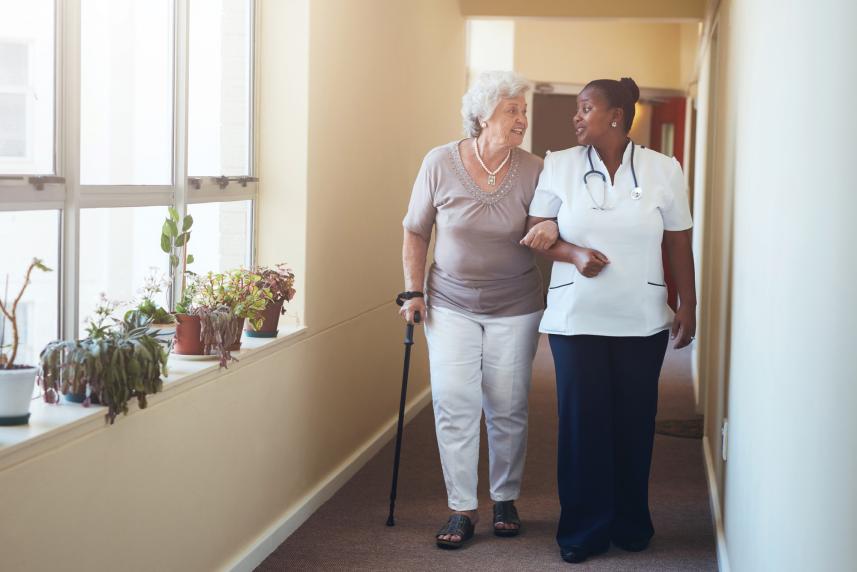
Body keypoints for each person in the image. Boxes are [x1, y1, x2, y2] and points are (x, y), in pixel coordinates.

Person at [521, 77, 697, 564]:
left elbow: (680, 240)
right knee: (582, 425)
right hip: (575, 319)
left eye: (585, 108)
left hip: (641, 318)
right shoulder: (558, 165)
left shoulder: (664, 169)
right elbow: (534, 232)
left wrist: (688, 304)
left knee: (634, 423)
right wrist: (573, 253)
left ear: (616, 115)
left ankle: (630, 521)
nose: (576, 117)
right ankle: (582, 529)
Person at [400, 70, 558, 549]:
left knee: (507, 405)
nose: (522, 119)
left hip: (516, 304)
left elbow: (544, 221)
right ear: (483, 115)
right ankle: (461, 508)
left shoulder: (534, 168)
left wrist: (548, 227)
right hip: (450, 303)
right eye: (512, 110)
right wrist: (413, 291)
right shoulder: (439, 162)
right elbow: (415, 230)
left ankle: (505, 497)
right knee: (454, 401)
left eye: (523, 111)